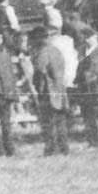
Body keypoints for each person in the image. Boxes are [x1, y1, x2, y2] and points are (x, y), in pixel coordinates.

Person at [29, 26, 70, 156]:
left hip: (48, 90)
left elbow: (39, 71)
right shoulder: (56, 50)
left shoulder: (43, 52)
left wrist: (36, 85)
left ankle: (51, 149)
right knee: (60, 121)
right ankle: (64, 149)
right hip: (60, 88)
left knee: (49, 122)